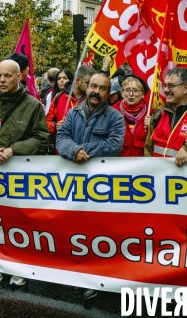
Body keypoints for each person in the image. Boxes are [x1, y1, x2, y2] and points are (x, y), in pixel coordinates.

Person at [0, 59, 50, 286]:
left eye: (7, 76)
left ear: (20, 77)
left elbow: (42, 139)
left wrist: (12, 150)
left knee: (20, 222)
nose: (2, 80)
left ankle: (21, 267)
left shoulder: (33, 105)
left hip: (21, 175)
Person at [55, 72, 124, 299]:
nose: (96, 91)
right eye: (93, 86)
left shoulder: (115, 117)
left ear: (108, 92)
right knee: (77, 230)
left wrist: (82, 150)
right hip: (74, 183)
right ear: (86, 88)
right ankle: (79, 273)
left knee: (98, 232)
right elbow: (61, 138)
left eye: (102, 88)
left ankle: (95, 278)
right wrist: (73, 151)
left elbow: (114, 145)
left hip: (100, 185)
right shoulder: (72, 112)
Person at [46, 66, 94, 152]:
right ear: (78, 81)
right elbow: (46, 122)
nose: (91, 87)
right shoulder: (58, 97)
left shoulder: (92, 100)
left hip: (84, 152)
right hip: (62, 153)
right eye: (88, 83)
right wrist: (55, 126)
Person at [112, 74, 150, 156]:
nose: (131, 94)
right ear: (122, 93)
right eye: (127, 90)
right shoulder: (112, 112)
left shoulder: (151, 113)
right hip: (118, 164)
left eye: (135, 90)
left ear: (143, 94)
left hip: (141, 165)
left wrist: (153, 127)